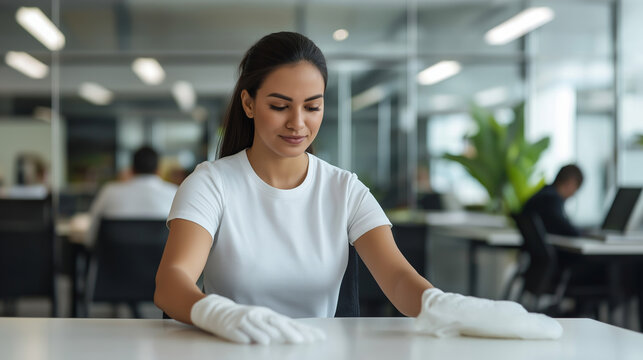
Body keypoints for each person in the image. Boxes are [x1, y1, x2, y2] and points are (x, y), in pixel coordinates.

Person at [154, 32, 562, 345]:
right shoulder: (211, 184)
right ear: (248, 104)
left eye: (312, 106)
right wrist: (218, 314)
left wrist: (440, 305)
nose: (298, 123)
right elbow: (171, 283)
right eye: (279, 106)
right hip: (230, 351)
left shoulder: (344, 189)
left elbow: (399, 279)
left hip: (316, 352)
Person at [85, 146, 178, 246]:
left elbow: (90, 237)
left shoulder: (109, 191)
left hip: (114, 260)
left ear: (132, 169)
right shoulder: (174, 193)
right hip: (161, 261)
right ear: (158, 170)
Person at [522, 164, 583, 236]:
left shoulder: (542, 193)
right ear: (571, 182)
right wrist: (582, 234)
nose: (573, 194)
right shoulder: (552, 200)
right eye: (575, 189)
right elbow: (565, 228)